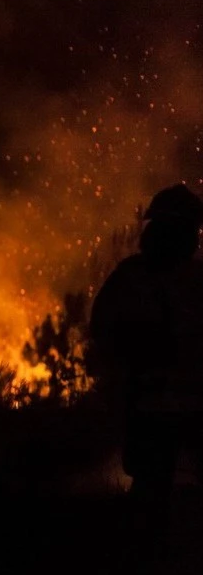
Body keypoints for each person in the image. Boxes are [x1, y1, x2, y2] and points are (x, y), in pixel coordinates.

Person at [89, 183, 203, 562]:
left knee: (153, 498)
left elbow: (103, 333)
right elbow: (105, 335)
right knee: (154, 501)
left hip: (156, 409)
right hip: (160, 409)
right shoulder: (156, 280)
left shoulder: (134, 278)